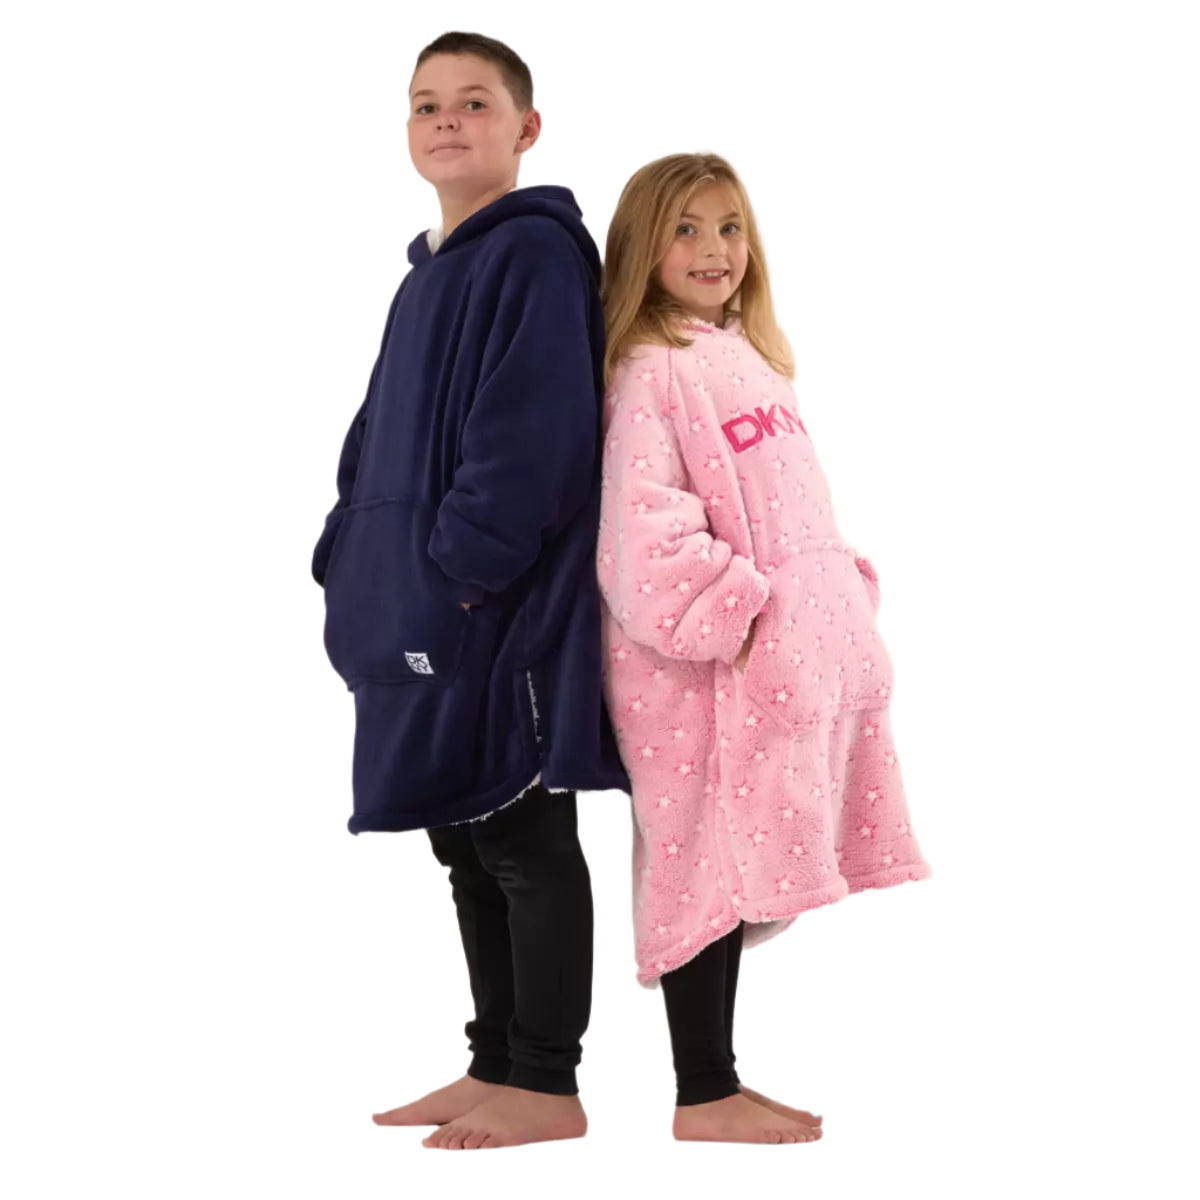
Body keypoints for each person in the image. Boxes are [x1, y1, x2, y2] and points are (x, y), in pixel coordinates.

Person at [311, 31, 628, 1150]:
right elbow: (373, 437)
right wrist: (345, 552)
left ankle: (547, 1081)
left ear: (526, 128)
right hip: (411, 599)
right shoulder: (428, 275)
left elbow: (535, 436)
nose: (447, 120)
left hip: (493, 601)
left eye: (475, 102)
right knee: (462, 833)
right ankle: (494, 1062)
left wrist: (463, 570)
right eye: (426, 104)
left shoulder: (533, 254)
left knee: (522, 829)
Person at [597, 153, 931, 1144]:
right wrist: (748, 614)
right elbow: (643, 534)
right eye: (686, 229)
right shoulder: (652, 369)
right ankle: (703, 1092)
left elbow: (793, 506)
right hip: (698, 671)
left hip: (776, 661)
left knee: (740, 857)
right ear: (642, 248)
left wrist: (838, 591)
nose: (714, 250)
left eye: (730, 227)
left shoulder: (748, 355)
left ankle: (719, 1081)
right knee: (701, 862)